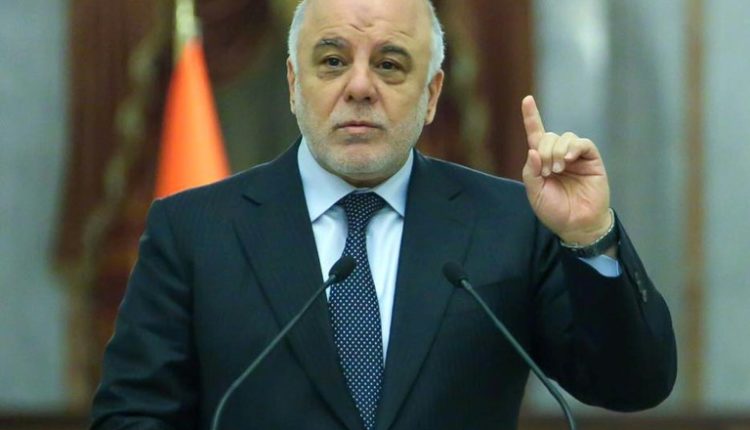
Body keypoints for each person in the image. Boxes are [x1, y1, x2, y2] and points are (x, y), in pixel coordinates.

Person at [90, 0, 676, 429]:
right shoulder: (195, 231)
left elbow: (632, 384)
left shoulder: (510, 224)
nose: (360, 87)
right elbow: (132, 416)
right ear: (294, 84)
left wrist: (589, 236)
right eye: (331, 61)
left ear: (432, 94)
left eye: (391, 65)